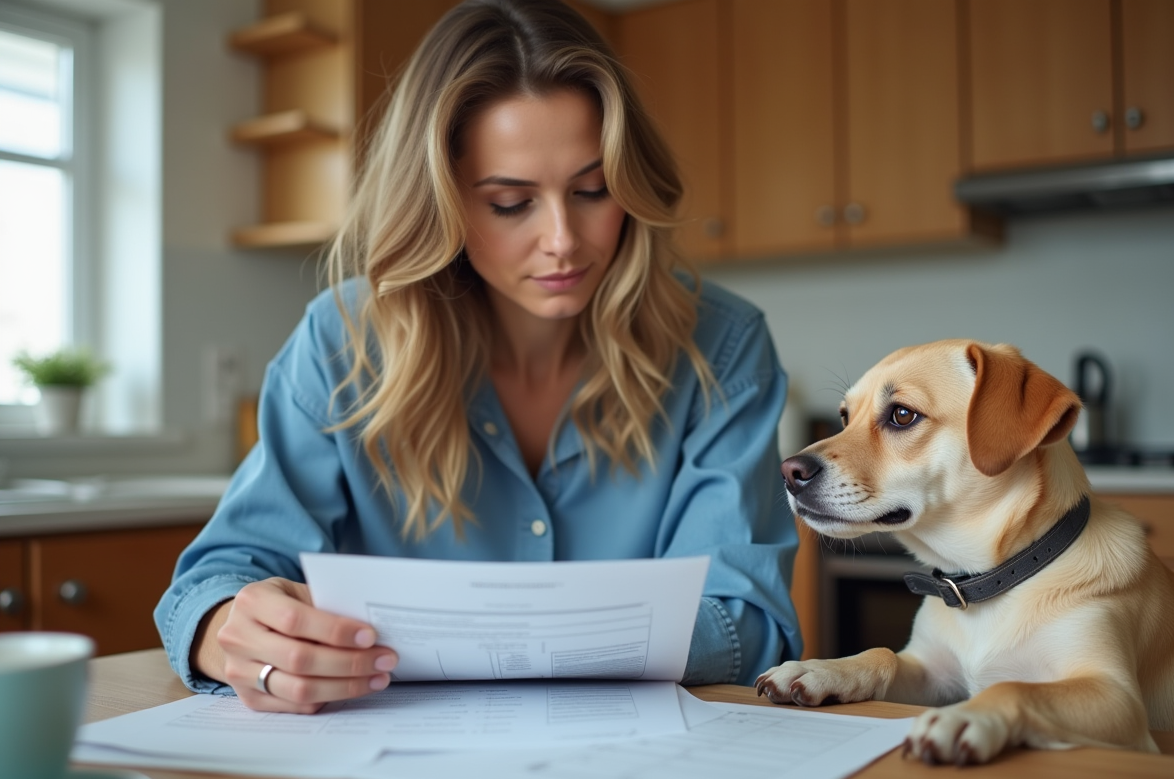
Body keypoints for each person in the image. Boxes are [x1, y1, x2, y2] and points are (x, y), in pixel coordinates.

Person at [156, 0, 800, 714]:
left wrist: (483, 635)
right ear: (441, 204)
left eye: (592, 190)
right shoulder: (343, 341)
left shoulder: (723, 344)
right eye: (510, 202)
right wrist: (229, 633)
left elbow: (747, 623)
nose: (563, 238)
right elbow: (219, 579)